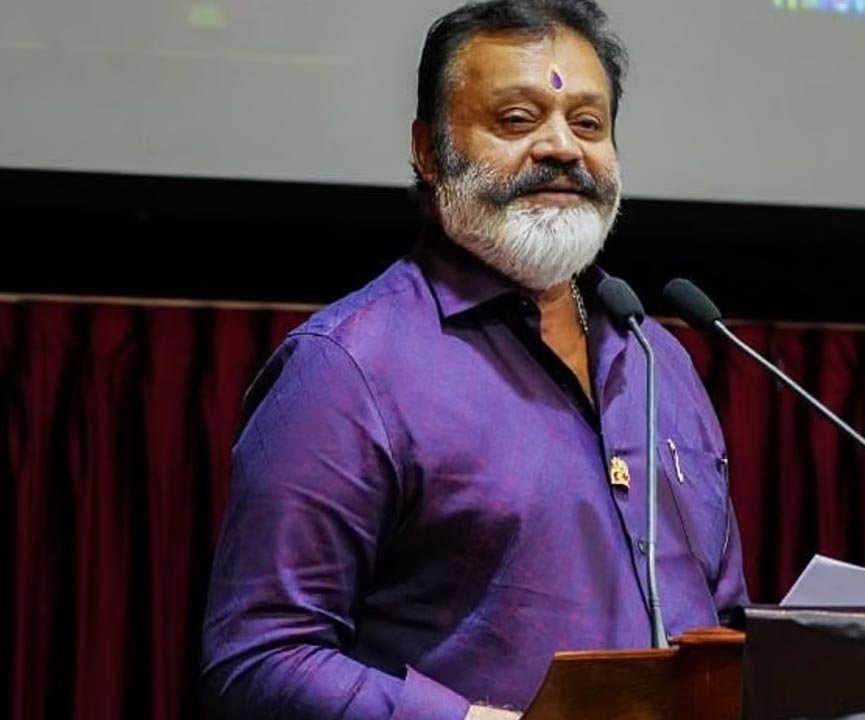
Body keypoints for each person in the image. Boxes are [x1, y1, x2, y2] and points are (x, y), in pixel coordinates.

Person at [199, 1, 749, 719]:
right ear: (429, 151)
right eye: (518, 119)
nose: (562, 147)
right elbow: (258, 661)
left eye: (588, 124)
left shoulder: (658, 362)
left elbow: (723, 627)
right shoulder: (348, 368)